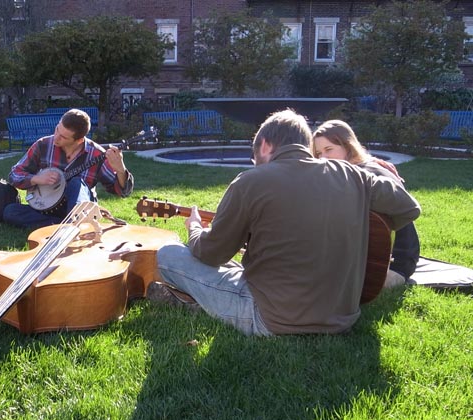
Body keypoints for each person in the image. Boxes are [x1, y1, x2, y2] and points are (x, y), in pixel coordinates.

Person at [152, 109, 421, 336]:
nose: (255, 162)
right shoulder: (354, 175)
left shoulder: (250, 181)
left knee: (168, 253)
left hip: (273, 319)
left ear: (266, 145)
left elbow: (210, 254)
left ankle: (198, 302)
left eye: (255, 155)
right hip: (343, 317)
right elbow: (408, 208)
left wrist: (195, 229)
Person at [311, 119, 420, 288]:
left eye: (329, 149)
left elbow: (406, 214)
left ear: (348, 147)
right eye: (318, 153)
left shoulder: (371, 175)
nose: (323, 158)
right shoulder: (346, 172)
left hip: (394, 264)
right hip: (367, 258)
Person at [2, 109, 134, 229]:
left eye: (63, 137)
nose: (56, 137)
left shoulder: (96, 154)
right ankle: (68, 226)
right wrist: (37, 179)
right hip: (46, 208)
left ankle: (70, 223)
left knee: (76, 183)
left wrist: (120, 170)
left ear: (79, 140)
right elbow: (14, 174)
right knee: (11, 211)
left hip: (79, 206)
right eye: (57, 129)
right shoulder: (43, 145)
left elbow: (122, 191)